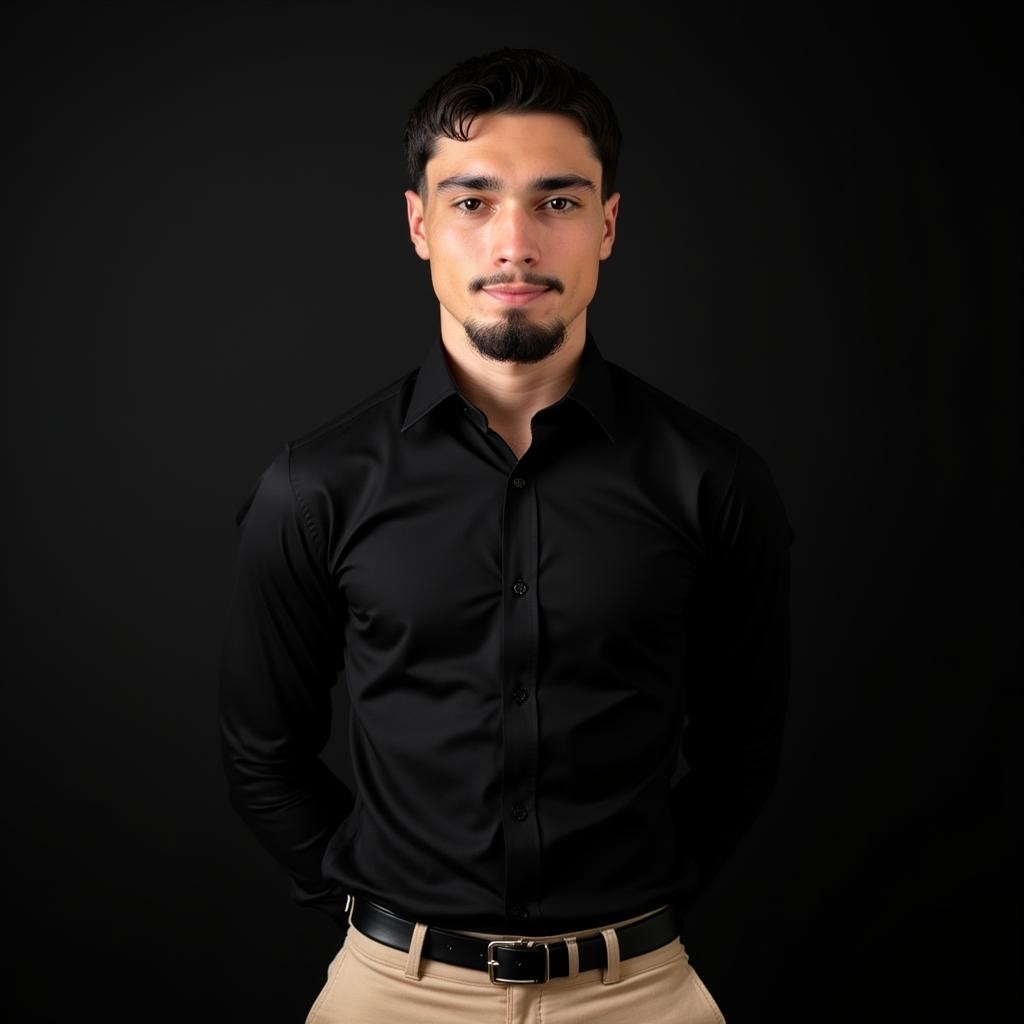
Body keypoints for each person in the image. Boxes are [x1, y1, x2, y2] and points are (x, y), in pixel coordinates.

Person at [218, 46, 795, 1024]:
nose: (515, 243)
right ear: (420, 225)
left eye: (557, 201)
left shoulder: (714, 478)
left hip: (640, 992)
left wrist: (637, 916)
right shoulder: (314, 485)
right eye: (473, 201)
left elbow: (743, 751)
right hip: (390, 994)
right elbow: (261, 753)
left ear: (607, 225)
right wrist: (373, 917)